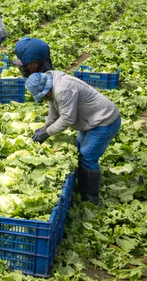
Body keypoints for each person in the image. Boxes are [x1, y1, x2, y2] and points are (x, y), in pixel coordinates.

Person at [26, 72, 121, 205]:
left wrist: (47, 133)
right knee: (80, 153)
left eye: (42, 96)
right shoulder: (53, 85)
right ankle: (82, 187)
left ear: (46, 91)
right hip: (90, 120)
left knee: (87, 157)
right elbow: (54, 109)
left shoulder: (62, 89)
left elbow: (67, 118)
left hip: (104, 120)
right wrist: (44, 127)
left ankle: (91, 200)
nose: (43, 99)